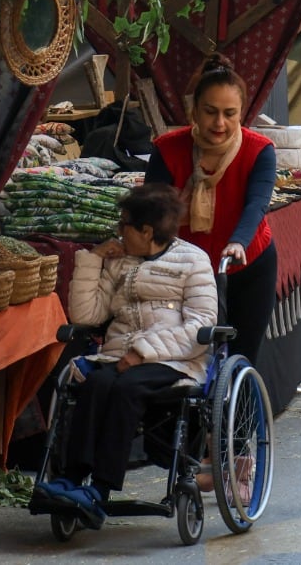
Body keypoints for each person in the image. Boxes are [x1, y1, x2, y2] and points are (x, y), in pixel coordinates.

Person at [49, 184, 217, 526]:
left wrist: (144, 352)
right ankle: (70, 478)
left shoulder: (193, 260)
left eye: (123, 224)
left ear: (146, 231)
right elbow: (86, 315)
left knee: (126, 389)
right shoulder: (119, 261)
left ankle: (100, 488)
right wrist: (93, 260)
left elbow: (201, 326)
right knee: (96, 385)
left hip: (175, 360)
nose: (118, 231)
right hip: (116, 356)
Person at [146, 57, 278, 366]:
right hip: (184, 273)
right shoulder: (167, 149)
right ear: (194, 110)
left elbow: (256, 204)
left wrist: (238, 242)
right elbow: (151, 210)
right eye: (210, 112)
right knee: (183, 358)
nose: (219, 124)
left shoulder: (259, 151)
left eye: (229, 114)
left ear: (241, 113)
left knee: (241, 360)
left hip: (248, 266)